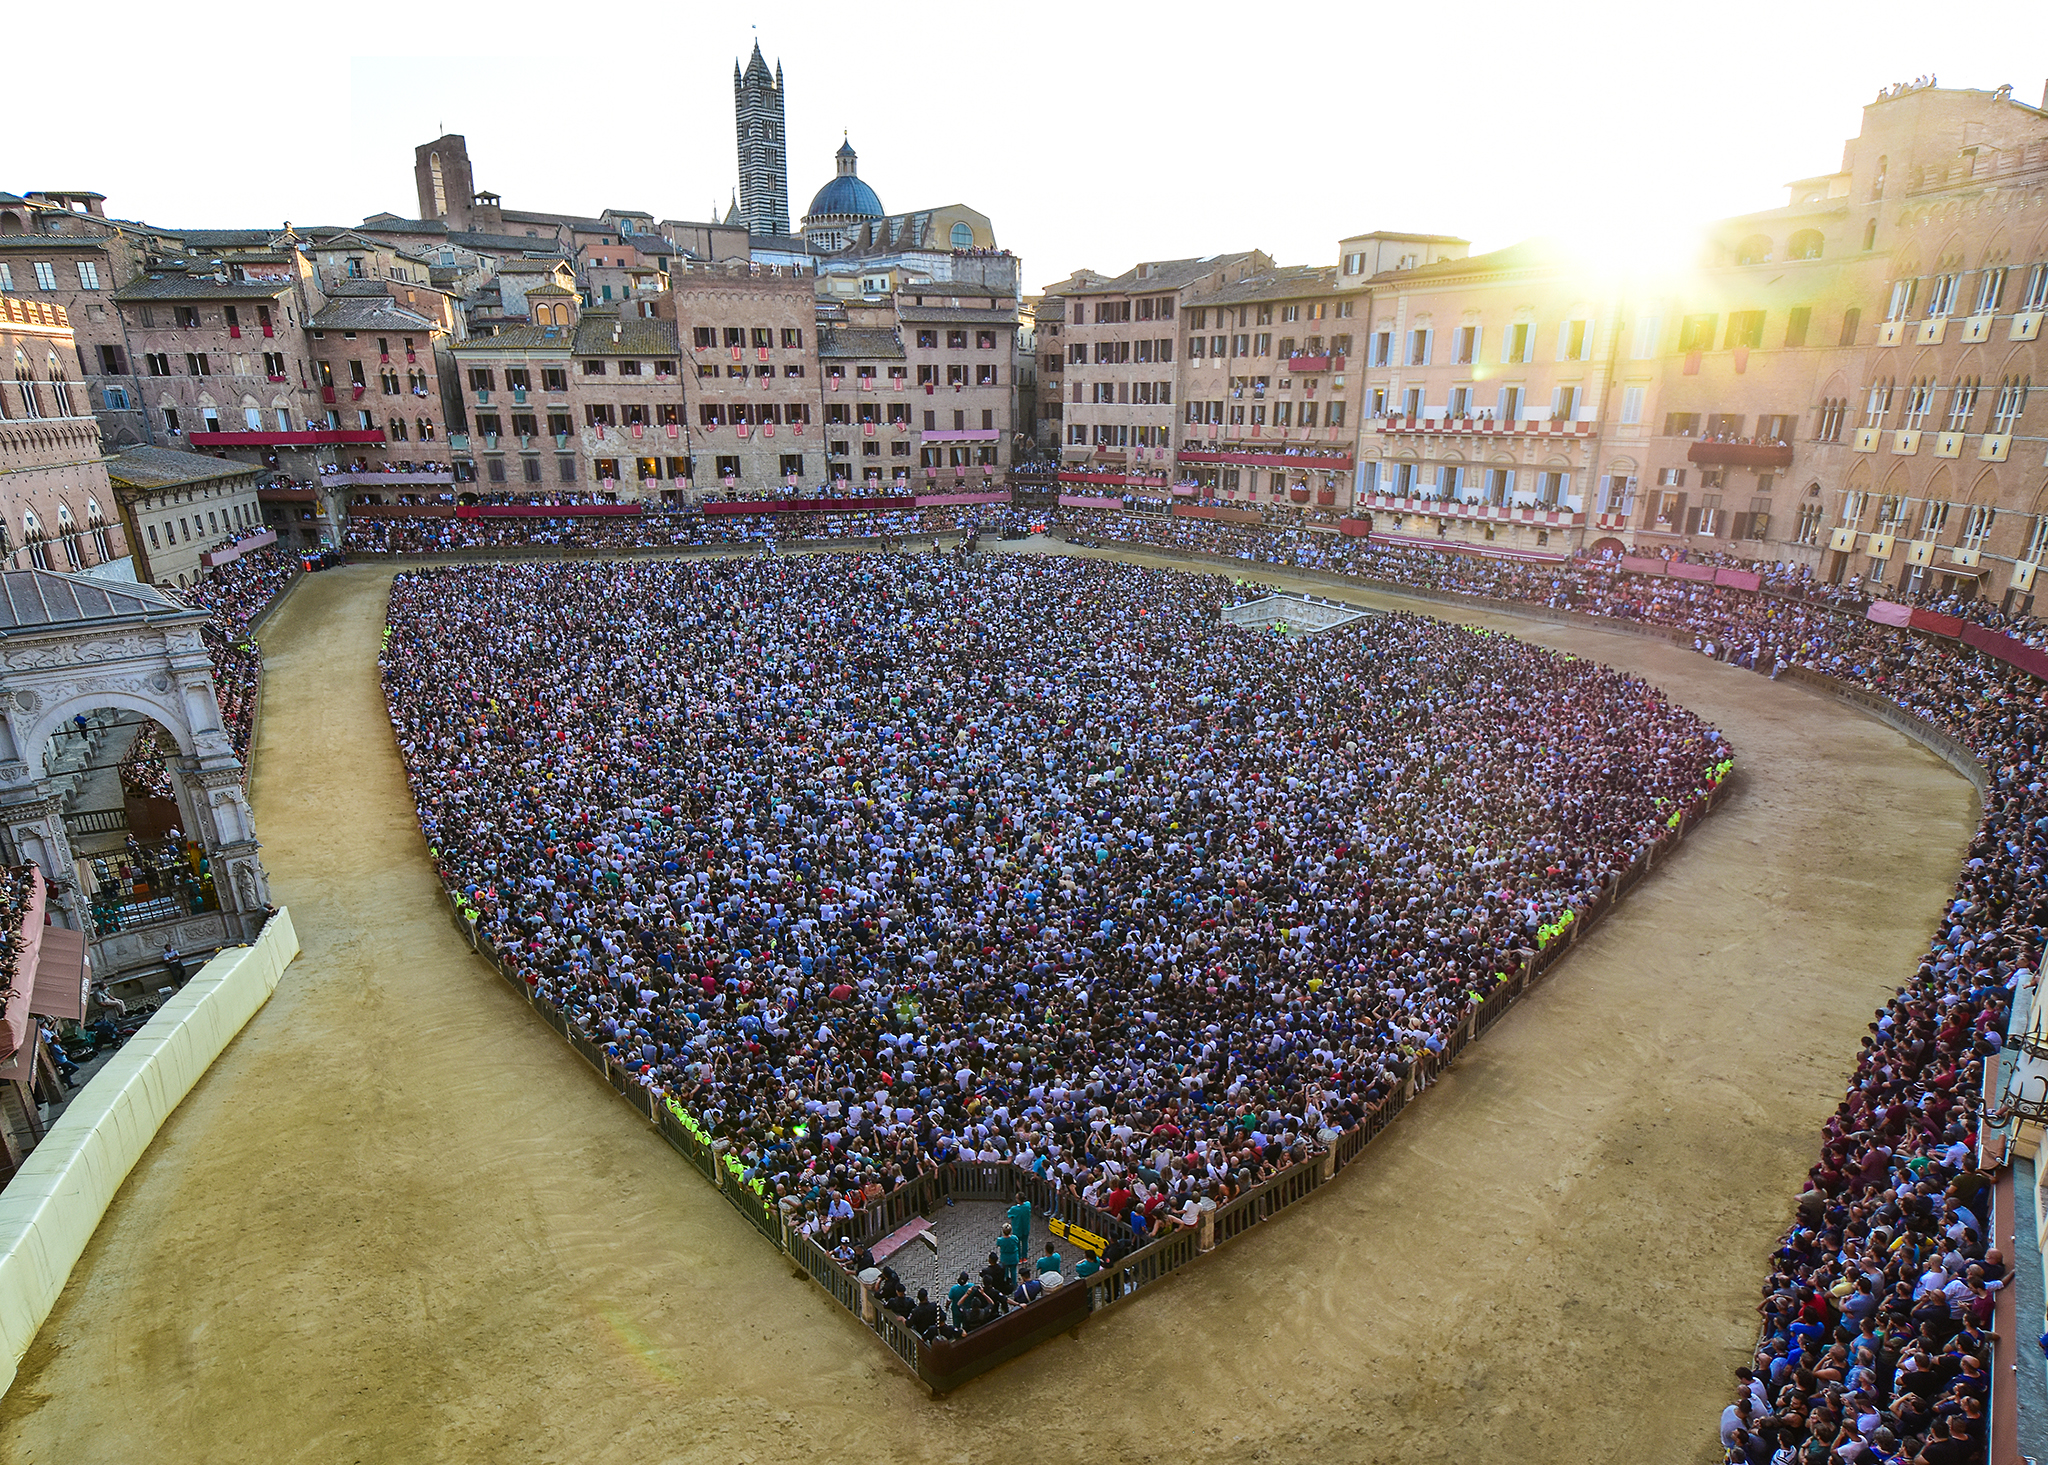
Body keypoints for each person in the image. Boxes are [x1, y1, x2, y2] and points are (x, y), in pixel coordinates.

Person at [997, 1223, 1021, 1288]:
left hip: (1005, 1258)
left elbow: (998, 1244)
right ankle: (1014, 1284)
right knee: (1013, 1271)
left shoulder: (1000, 1240)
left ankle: (1006, 1283)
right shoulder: (1014, 1238)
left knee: (1005, 1271)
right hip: (1013, 1257)